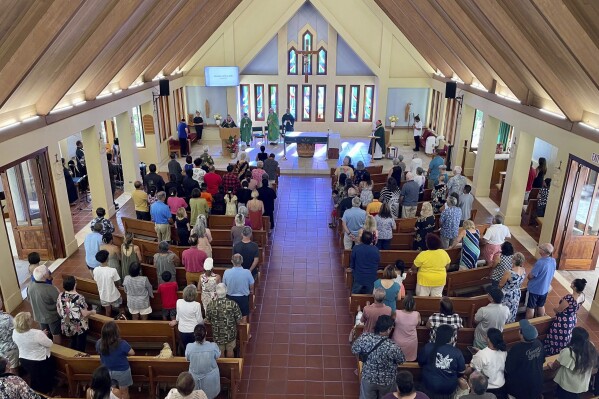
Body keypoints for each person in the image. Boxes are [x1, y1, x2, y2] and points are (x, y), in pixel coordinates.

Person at [352, 315, 406, 399]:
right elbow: (401, 360)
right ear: (388, 329)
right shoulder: (392, 346)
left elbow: (354, 349)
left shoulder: (365, 338)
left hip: (368, 376)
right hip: (386, 380)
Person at [12, 312, 55, 394]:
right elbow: (49, 343)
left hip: (24, 359)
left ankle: (35, 391)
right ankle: (46, 392)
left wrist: (41, 335)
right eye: (30, 318)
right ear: (27, 322)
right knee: (44, 378)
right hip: (39, 360)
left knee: (34, 376)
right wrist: (43, 335)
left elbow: (19, 340)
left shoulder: (15, 332)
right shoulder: (37, 333)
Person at [418, 324, 465, 398]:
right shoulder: (457, 352)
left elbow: (420, 363)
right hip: (448, 389)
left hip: (428, 385)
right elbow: (461, 372)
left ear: (436, 335)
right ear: (451, 338)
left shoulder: (427, 347)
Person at [550, 327, 597, 399]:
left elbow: (555, 365)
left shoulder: (568, 352)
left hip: (568, 386)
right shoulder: (591, 348)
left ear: (574, 338)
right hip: (580, 385)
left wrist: (551, 365)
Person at [544, 278, 587, 356]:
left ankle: (553, 351)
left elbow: (559, 310)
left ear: (575, 287)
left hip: (563, 321)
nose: (571, 282)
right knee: (565, 336)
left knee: (556, 335)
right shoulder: (582, 296)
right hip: (572, 319)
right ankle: (562, 351)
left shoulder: (569, 298)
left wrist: (555, 309)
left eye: (573, 283)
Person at [504, 319, 545, 399]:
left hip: (521, 389)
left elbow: (508, 369)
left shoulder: (516, 349)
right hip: (537, 383)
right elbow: (542, 360)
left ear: (521, 335)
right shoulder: (539, 344)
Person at [96, 322, 134, 399]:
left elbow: (99, 352)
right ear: (116, 332)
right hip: (122, 371)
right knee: (124, 392)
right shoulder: (122, 343)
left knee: (110, 392)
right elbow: (132, 353)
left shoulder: (99, 343)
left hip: (107, 371)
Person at [57, 275, 95, 352]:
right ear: (74, 285)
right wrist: (92, 312)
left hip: (67, 323)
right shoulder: (79, 298)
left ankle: (73, 351)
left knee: (73, 340)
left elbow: (58, 309)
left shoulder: (61, 295)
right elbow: (84, 314)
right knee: (81, 342)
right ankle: (80, 356)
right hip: (79, 325)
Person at [205, 283, 242, 358]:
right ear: (226, 291)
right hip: (230, 333)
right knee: (230, 350)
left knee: (220, 351)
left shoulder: (210, 305)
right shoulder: (232, 304)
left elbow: (207, 319)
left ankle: (223, 366)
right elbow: (238, 320)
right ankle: (230, 365)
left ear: (216, 292)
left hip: (217, 334)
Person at [469, 328, 507, 398]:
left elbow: (475, 371)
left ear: (488, 339)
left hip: (487, 388)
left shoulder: (482, 354)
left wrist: (478, 355)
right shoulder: (504, 351)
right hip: (501, 386)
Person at [27, 265, 61, 344]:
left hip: (38, 315)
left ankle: (47, 346)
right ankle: (58, 350)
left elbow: (29, 299)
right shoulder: (50, 288)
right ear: (44, 276)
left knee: (45, 332)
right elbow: (59, 302)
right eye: (47, 272)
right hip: (51, 316)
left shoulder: (30, 286)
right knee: (55, 334)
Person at [186, 324, 221, 399]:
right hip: (210, 379)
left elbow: (187, 358)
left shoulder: (189, 347)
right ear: (206, 333)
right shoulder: (213, 346)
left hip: (195, 378)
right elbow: (217, 356)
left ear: (194, 334)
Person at [170, 285, 203, 355]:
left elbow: (178, 316)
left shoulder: (179, 302)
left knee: (186, 347)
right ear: (195, 294)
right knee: (194, 348)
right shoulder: (196, 305)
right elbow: (199, 320)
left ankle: (187, 359)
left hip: (182, 330)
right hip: (193, 330)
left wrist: (176, 321)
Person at [526, 243, 556, 319]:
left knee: (531, 307)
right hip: (545, 288)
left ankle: (528, 323)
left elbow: (531, 276)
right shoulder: (553, 260)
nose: (539, 248)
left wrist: (529, 276)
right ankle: (540, 320)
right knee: (541, 305)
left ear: (543, 251)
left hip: (535, 289)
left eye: (540, 247)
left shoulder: (540, 262)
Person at [223, 254, 255, 323]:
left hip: (230, 298)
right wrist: (251, 291)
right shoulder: (247, 272)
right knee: (244, 317)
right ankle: (243, 331)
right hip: (243, 298)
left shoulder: (227, 272)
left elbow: (224, 285)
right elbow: (252, 284)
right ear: (242, 261)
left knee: (230, 316)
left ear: (232, 261)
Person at [93, 250, 122, 317]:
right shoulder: (113, 270)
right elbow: (117, 283)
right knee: (121, 308)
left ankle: (108, 322)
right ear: (107, 258)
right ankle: (123, 320)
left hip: (103, 296)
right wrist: (118, 286)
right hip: (114, 295)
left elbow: (96, 279)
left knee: (108, 311)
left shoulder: (95, 270)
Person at [392, 295, 420, 362]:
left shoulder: (396, 313)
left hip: (397, 341)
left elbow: (392, 322)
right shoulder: (417, 314)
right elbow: (418, 325)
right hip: (411, 342)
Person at [499, 252, 526, 323]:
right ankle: (510, 325)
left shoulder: (509, 272)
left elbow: (501, 284)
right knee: (513, 310)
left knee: (504, 311)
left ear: (513, 260)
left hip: (507, 295)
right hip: (516, 293)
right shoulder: (523, 270)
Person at [0, 298, 17, 375]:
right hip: (11, 348)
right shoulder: (6, 318)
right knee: (12, 369)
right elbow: (17, 330)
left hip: (1, 350)